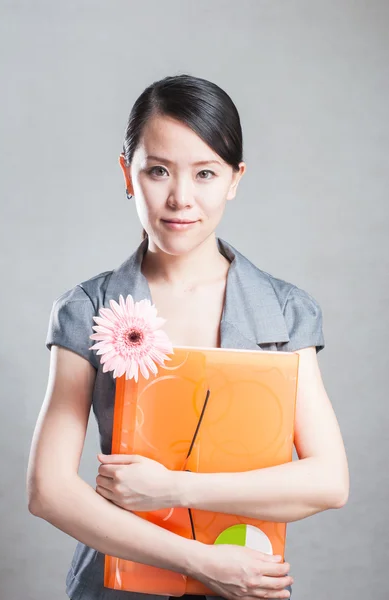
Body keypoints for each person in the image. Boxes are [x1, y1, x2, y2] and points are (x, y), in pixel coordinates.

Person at [27, 74, 349, 600]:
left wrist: (174, 488)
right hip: (118, 584)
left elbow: (328, 481)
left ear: (235, 179)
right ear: (127, 173)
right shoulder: (87, 307)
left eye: (205, 173)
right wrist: (204, 563)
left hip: (247, 580)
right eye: (158, 171)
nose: (181, 198)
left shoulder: (286, 312)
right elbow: (49, 491)